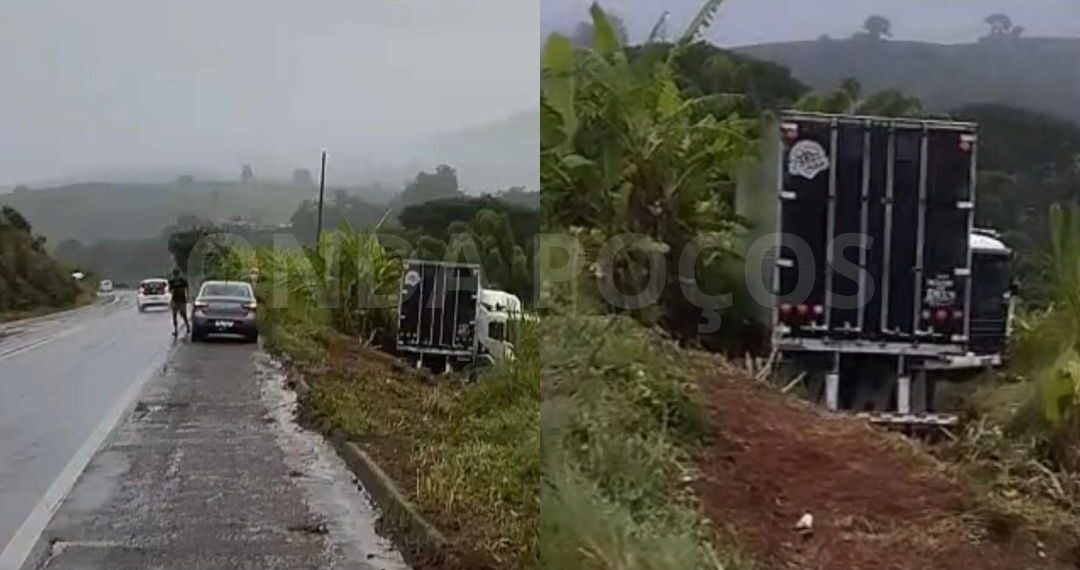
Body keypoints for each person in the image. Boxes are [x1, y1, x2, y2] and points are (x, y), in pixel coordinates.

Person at [168, 269, 190, 337]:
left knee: (179, 315)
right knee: (181, 315)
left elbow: (170, 290)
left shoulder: (174, 281)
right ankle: (185, 327)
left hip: (178, 300)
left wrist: (187, 295)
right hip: (179, 300)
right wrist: (187, 295)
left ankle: (179, 329)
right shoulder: (181, 281)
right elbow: (187, 288)